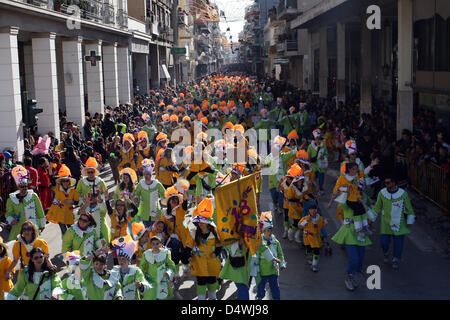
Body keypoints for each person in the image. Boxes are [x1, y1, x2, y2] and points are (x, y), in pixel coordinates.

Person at [369, 173, 415, 269]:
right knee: (384, 243)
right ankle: (386, 253)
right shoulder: (382, 193)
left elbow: (409, 209)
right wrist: (370, 219)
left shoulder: (403, 194)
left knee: (398, 244)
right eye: (385, 183)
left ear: (394, 183)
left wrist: (409, 221)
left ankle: (395, 259)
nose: (386, 185)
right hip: (385, 224)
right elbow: (377, 207)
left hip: (399, 223)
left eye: (388, 183)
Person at [184, 198, 222, 300]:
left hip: (212, 263)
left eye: (202, 222)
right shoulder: (193, 232)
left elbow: (219, 245)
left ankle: (212, 297)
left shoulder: (214, 233)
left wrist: (216, 253)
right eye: (199, 221)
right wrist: (188, 256)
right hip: (198, 263)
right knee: (200, 281)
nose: (199, 224)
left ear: (208, 224)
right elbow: (188, 246)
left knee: (212, 280)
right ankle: (201, 298)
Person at [6, 166, 46, 241]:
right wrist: (11, 219)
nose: (24, 188)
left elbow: (40, 211)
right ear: (18, 187)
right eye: (21, 186)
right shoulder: (11, 199)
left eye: (25, 186)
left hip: (32, 228)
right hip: (19, 229)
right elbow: (8, 213)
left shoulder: (33, 196)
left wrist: (42, 224)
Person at [255, 211, 286, 300]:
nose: (270, 232)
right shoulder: (259, 242)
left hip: (273, 270)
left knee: (275, 288)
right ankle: (259, 297)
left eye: (271, 230)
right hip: (262, 270)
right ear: (263, 231)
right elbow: (255, 255)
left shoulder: (276, 242)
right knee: (261, 288)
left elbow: (280, 254)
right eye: (267, 230)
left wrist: (282, 264)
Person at [111, 235, 152, 300]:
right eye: (119, 259)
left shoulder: (136, 271)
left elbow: (146, 285)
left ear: (128, 260)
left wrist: (140, 285)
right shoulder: (114, 271)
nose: (121, 261)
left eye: (123, 259)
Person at [46, 165, 79, 236]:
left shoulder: (73, 191)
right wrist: (50, 170)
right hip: (60, 215)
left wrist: (71, 201)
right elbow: (52, 180)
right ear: (61, 182)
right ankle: (66, 246)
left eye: (67, 180)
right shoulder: (57, 189)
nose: (65, 182)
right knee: (64, 233)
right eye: (63, 181)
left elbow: (77, 202)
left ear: (69, 182)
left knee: (72, 232)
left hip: (69, 214)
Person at [139, 236, 176, 300]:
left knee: (163, 296)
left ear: (160, 244)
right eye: (153, 244)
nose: (155, 246)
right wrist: (143, 277)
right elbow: (141, 267)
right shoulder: (146, 254)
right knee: (150, 297)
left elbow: (171, 265)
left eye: (157, 244)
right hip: (150, 281)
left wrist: (168, 273)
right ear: (150, 245)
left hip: (162, 280)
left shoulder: (165, 253)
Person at [133, 160, 166, 228]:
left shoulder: (157, 184)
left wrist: (164, 201)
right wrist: (136, 197)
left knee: (154, 232)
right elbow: (136, 193)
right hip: (144, 213)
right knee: (145, 232)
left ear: (151, 175)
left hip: (156, 212)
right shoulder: (141, 184)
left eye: (148, 174)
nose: (146, 176)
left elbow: (164, 194)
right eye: (145, 174)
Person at [298, 204, 328, 272]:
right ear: (309, 211)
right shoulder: (305, 218)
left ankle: (314, 265)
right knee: (309, 250)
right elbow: (299, 226)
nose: (312, 211)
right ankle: (309, 258)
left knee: (316, 251)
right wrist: (306, 221)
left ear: (316, 210)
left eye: (314, 209)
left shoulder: (320, 219)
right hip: (307, 238)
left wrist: (326, 221)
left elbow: (322, 225)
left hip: (316, 238)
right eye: (311, 209)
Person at [307, 129, 328, 195]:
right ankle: (313, 189)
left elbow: (326, 154)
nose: (318, 140)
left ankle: (320, 189)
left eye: (319, 138)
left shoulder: (323, 145)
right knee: (313, 178)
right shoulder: (310, 146)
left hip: (321, 166)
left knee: (321, 178)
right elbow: (307, 156)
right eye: (316, 138)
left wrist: (324, 156)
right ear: (314, 139)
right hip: (314, 166)